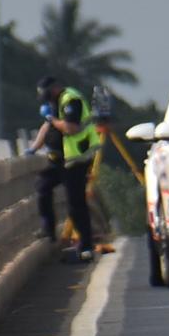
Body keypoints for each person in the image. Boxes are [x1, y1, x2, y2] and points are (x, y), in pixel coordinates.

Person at [27, 76, 102, 262]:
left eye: (46, 95)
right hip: (60, 160)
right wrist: (34, 148)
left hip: (75, 160)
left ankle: (85, 248)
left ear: (54, 89)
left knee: (75, 204)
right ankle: (48, 229)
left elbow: (71, 128)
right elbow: (47, 126)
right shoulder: (56, 102)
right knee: (42, 187)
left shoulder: (71, 100)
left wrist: (53, 120)